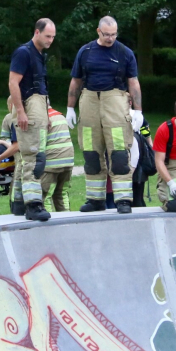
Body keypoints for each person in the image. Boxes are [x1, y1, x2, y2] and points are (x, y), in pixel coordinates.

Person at [66, 16, 144, 214]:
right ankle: (95, 199)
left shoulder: (125, 53)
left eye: (114, 34)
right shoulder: (85, 51)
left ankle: (123, 200)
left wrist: (138, 110)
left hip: (115, 101)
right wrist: (70, 108)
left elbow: (133, 82)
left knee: (118, 152)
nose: (111, 38)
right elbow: (75, 81)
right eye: (107, 34)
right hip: (89, 101)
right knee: (91, 153)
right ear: (98, 31)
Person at [8, 18, 56, 222]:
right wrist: (20, 111)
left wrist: (46, 114)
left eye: (53, 37)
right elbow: (13, 82)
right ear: (36, 32)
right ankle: (33, 205)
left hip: (39, 108)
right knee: (33, 158)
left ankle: (19, 202)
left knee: (33, 157)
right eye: (47, 36)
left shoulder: (39, 55)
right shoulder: (24, 52)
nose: (50, 40)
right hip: (28, 107)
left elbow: (40, 87)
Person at [40, 103, 74, 212]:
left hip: (52, 162)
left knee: (45, 194)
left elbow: (39, 142)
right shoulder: (60, 115)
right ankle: (67, 218)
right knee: (61, 193)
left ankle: (48, 224)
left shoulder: (43, 118)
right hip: (68, 160)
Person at [130, 118, 153, 207]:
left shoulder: (139, 119)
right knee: (137, 196)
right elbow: (149, 141)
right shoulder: (140, 119)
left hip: (139, 161)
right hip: (137, 160)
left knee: (137, 197)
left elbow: (148, 140)